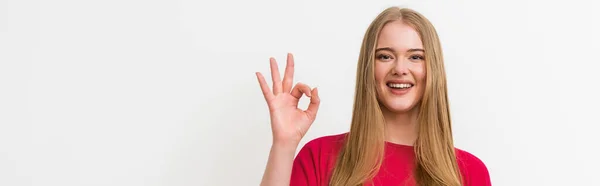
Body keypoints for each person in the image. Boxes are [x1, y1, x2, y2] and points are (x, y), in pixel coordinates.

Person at [255, 7, 491, 186]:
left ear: (433, 69)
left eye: (416, 57)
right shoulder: (319, 156)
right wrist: (284, 144)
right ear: (369, 67)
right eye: (385, 56)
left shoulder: (470, 172)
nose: (400, 68)